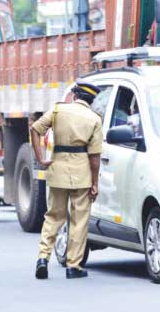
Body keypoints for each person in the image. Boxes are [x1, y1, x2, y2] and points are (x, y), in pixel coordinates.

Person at [31, 81, 103, 279]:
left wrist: (40, 159)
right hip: (82, 174)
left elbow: (35, 129)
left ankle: (43, 258)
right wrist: (95, 183)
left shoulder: (57, 111)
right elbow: (94, 157)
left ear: (74, 95)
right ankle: (73, 266)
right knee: (79, 220)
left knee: (53, 216)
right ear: (91, 100)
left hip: (57, 170)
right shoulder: (94, 119)